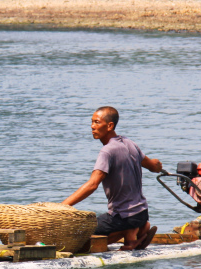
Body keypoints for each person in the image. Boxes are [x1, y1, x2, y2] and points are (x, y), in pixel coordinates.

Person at [62, 106, 162, 251]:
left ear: (109, 126)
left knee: (78, 239)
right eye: (92, 122)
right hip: (142, 213)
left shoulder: (107, 151)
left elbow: (92, 184)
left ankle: (129, 233)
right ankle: (136, 230)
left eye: (97, 122)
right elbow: (152, 165)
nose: (92, 126)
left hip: (123, 217)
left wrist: (62, 207)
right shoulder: (130, 143)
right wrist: (157, 165)